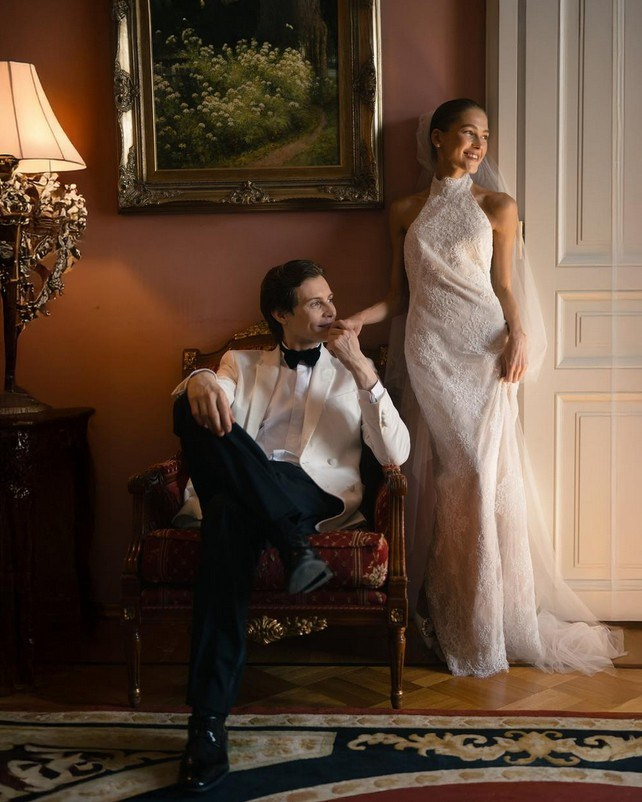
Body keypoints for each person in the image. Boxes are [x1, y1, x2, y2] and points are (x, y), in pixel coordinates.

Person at [339, 98, 624, 678]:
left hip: (485, 349)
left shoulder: (497, 205)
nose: (478, 145)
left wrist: (519, 334)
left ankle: (488, 619)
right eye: (468, 134)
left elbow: (505, 285)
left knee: (483, 475)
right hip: (430, 352)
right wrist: (359, 319)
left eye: (485, 136)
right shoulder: (403, 210)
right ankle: (458, 617)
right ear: (437, 137)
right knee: (460, 471)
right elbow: (398, 295)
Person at [171, 259, 410, 793]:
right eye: (316, 302)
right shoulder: (240, 363)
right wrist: (201, 377)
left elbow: (396, 454)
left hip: (312, 490)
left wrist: (363, 372)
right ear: (281, 313)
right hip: (248, 490)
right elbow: (209, 405)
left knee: (228, 514)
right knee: (193, 415)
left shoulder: (352, 371)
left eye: (331, 298)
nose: (331, 310)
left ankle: (206, 725)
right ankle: (292, 543)